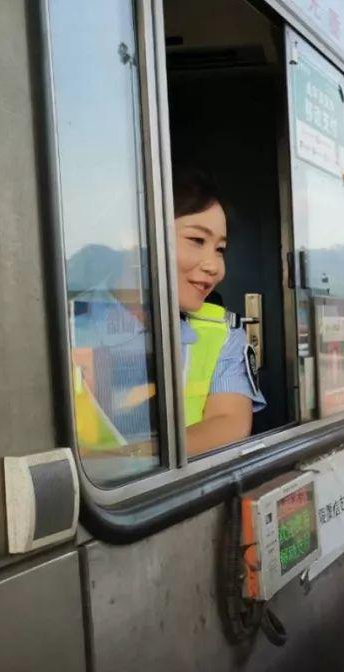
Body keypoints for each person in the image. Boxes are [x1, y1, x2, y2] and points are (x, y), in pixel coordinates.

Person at [73, 169, 265, 458]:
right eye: (197, 240)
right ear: (136, 235)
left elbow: (229, 423)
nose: (215, 266)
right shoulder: (67, 325)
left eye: (220, 249)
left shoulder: (221, 333)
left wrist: (127, 461)